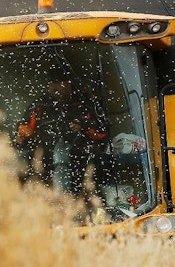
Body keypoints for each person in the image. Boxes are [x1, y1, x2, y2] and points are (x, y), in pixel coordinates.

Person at [14, 65, 108, 195]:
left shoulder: (85, 102)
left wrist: (84, 126)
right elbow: (23, 130)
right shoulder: (40, 105)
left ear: (68, 83)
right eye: (51, 84)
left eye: (58, 83)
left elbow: (102, 133)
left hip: (82, 163)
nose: (54, 87)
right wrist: (22, 135)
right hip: (46, 164)